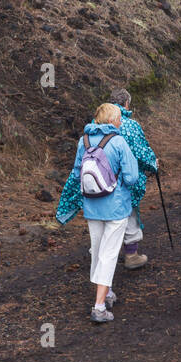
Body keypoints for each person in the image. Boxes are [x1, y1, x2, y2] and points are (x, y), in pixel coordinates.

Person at [55, 87, 158, 270]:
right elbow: (141, 154)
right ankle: (130, 254)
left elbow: (79, 166)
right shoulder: (130, 125)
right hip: (121, 185)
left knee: (99, 219)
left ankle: (100, 258)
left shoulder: (93, 126)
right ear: (126, 103)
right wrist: (153, 164)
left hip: (95, 184)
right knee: (128, 213)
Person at [65, 101, 139, 323]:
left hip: (91, 205)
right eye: (118, 119)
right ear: (111, 120)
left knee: (97, 251)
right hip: (116, 207)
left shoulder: (84, 141)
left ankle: (107, 292)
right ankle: (99, 307)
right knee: (109, 254)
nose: (120, 123)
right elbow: (132, 177)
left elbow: (77, 172)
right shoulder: (118, 141)